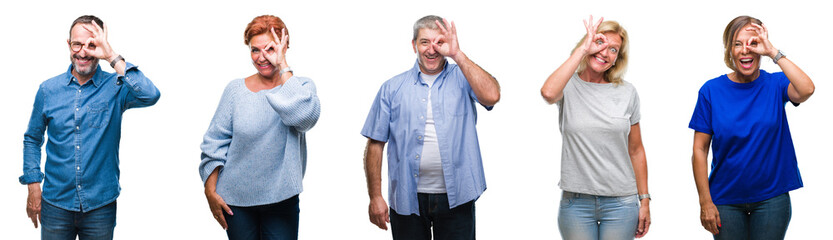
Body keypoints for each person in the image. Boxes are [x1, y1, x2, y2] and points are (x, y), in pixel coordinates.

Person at [20, 15, 161, 239]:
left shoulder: (116, 87)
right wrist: (33, 184)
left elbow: (150, 95)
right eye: (77, 44)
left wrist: (112, 56)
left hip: (100, 206)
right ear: (69, 45)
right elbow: (32, 139)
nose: (83, 52)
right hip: (56, 203)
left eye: (92, 45)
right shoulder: (48, 90)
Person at [361, 15, 500, 240]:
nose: (432, 49)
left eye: (439, 42)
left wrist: (457, 54)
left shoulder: (464, 77)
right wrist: (375, 196)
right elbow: (375, 144)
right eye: (425, 42)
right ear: (414, 45)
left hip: (457, 197)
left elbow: (492, 96)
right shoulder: (391, 88)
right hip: (407, 198)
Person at [690, 15, 815, 240]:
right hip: (725, 200)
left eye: (753, 43)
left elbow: (806, 90)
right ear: (729, 50)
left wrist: (773, 52)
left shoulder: (776, 84)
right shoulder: (710, 91)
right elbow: (699, 150)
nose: (745, 50)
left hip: (771, 199)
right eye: (737, 44)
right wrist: (705, 201)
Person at [199, 15, 320, 240]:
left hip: (282, 199)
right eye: (255, 50)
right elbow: (214, 143)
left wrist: (283, 66)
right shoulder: (235, 91)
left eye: (270, 49)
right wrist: (210, 191)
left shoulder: (301, 87)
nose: (262, 57)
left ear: (284, 48)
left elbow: (304, 118)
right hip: (235, 201)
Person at [540, 16, 651, 239]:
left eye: (613, 49)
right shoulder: (568, 85)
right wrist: (582, 50)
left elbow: (636, 150)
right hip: (576, 203)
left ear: (617, 59)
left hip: (621, 202)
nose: (605, 53)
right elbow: (548, 93)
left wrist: (645, 199)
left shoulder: (627, 92)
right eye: (600, 43)